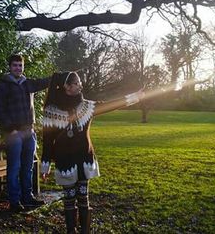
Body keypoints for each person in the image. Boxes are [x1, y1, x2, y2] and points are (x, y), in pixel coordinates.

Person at [41, 72, 145, 233]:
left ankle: (85, 230)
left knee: (83, 197)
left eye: (79, 82)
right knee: (69, 199)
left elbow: (111, 104)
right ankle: (71, 230)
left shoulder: (87, 106)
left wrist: (134, 97)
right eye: (77, 83)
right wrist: (45, 164)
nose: (80, 85)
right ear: (66, 87)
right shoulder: (51, 110)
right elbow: (47, 140)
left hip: (83, 158)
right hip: (65, 161)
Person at [0, 54, 50, 212]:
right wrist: (10, 129)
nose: (18, 68)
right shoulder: (3, 85)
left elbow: (44, 82)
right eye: (15, 65)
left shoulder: (28, 84)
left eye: (20, 65)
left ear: (23, 67)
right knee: (14, 168)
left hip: (28, 132)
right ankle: (14, 201)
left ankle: (28, 197)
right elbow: (0, 109)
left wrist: (58, 76)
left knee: (28, 168)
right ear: (10, 67)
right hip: (14, 134)